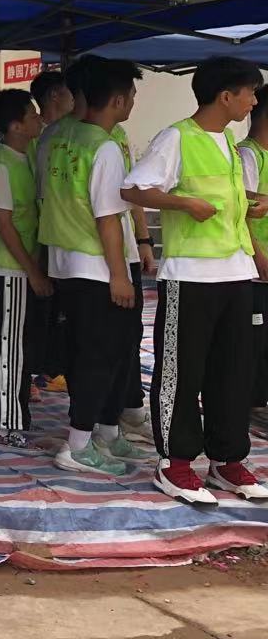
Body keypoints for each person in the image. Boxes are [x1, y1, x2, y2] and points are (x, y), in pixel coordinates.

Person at [122, 56, 268, 504]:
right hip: (190, 276)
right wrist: (184, 204)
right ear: (225, 96)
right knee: (182, 372)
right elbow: (133, 189)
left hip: (237, 272)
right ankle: (176, 463)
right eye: (250, 93)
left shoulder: (228, 141)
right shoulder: (176, 137)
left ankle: (228, 459)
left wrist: (249, 200)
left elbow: (217, 192)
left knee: (233, 371)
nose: (254, 101)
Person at [38, 57, 153, 477]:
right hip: (99, 266)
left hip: (66, 260)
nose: (134, 103)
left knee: (109, 351)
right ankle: (79, 445)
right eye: (132, 96)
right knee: (99, 357)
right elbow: (107, 217)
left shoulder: (57, 136)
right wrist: (119, 274)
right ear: (117, 100)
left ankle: (106, 432)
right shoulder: (103, 146)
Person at [0, 88, 49, 452]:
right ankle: (2, 424)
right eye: (33, 115)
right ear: (16, 126)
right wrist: (33, 271)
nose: (39, 119)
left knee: (21, 344)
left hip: (22, 265)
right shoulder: (3, 165)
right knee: (9, 347)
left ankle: (16, 414)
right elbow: (5, 225)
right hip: (9, 268)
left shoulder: (27, 153)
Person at [239, 83, 268, 422]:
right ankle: (252, 401)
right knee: (254, 337)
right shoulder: (249, 155)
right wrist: (257, 253)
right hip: (255, 264)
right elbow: (242, 210)